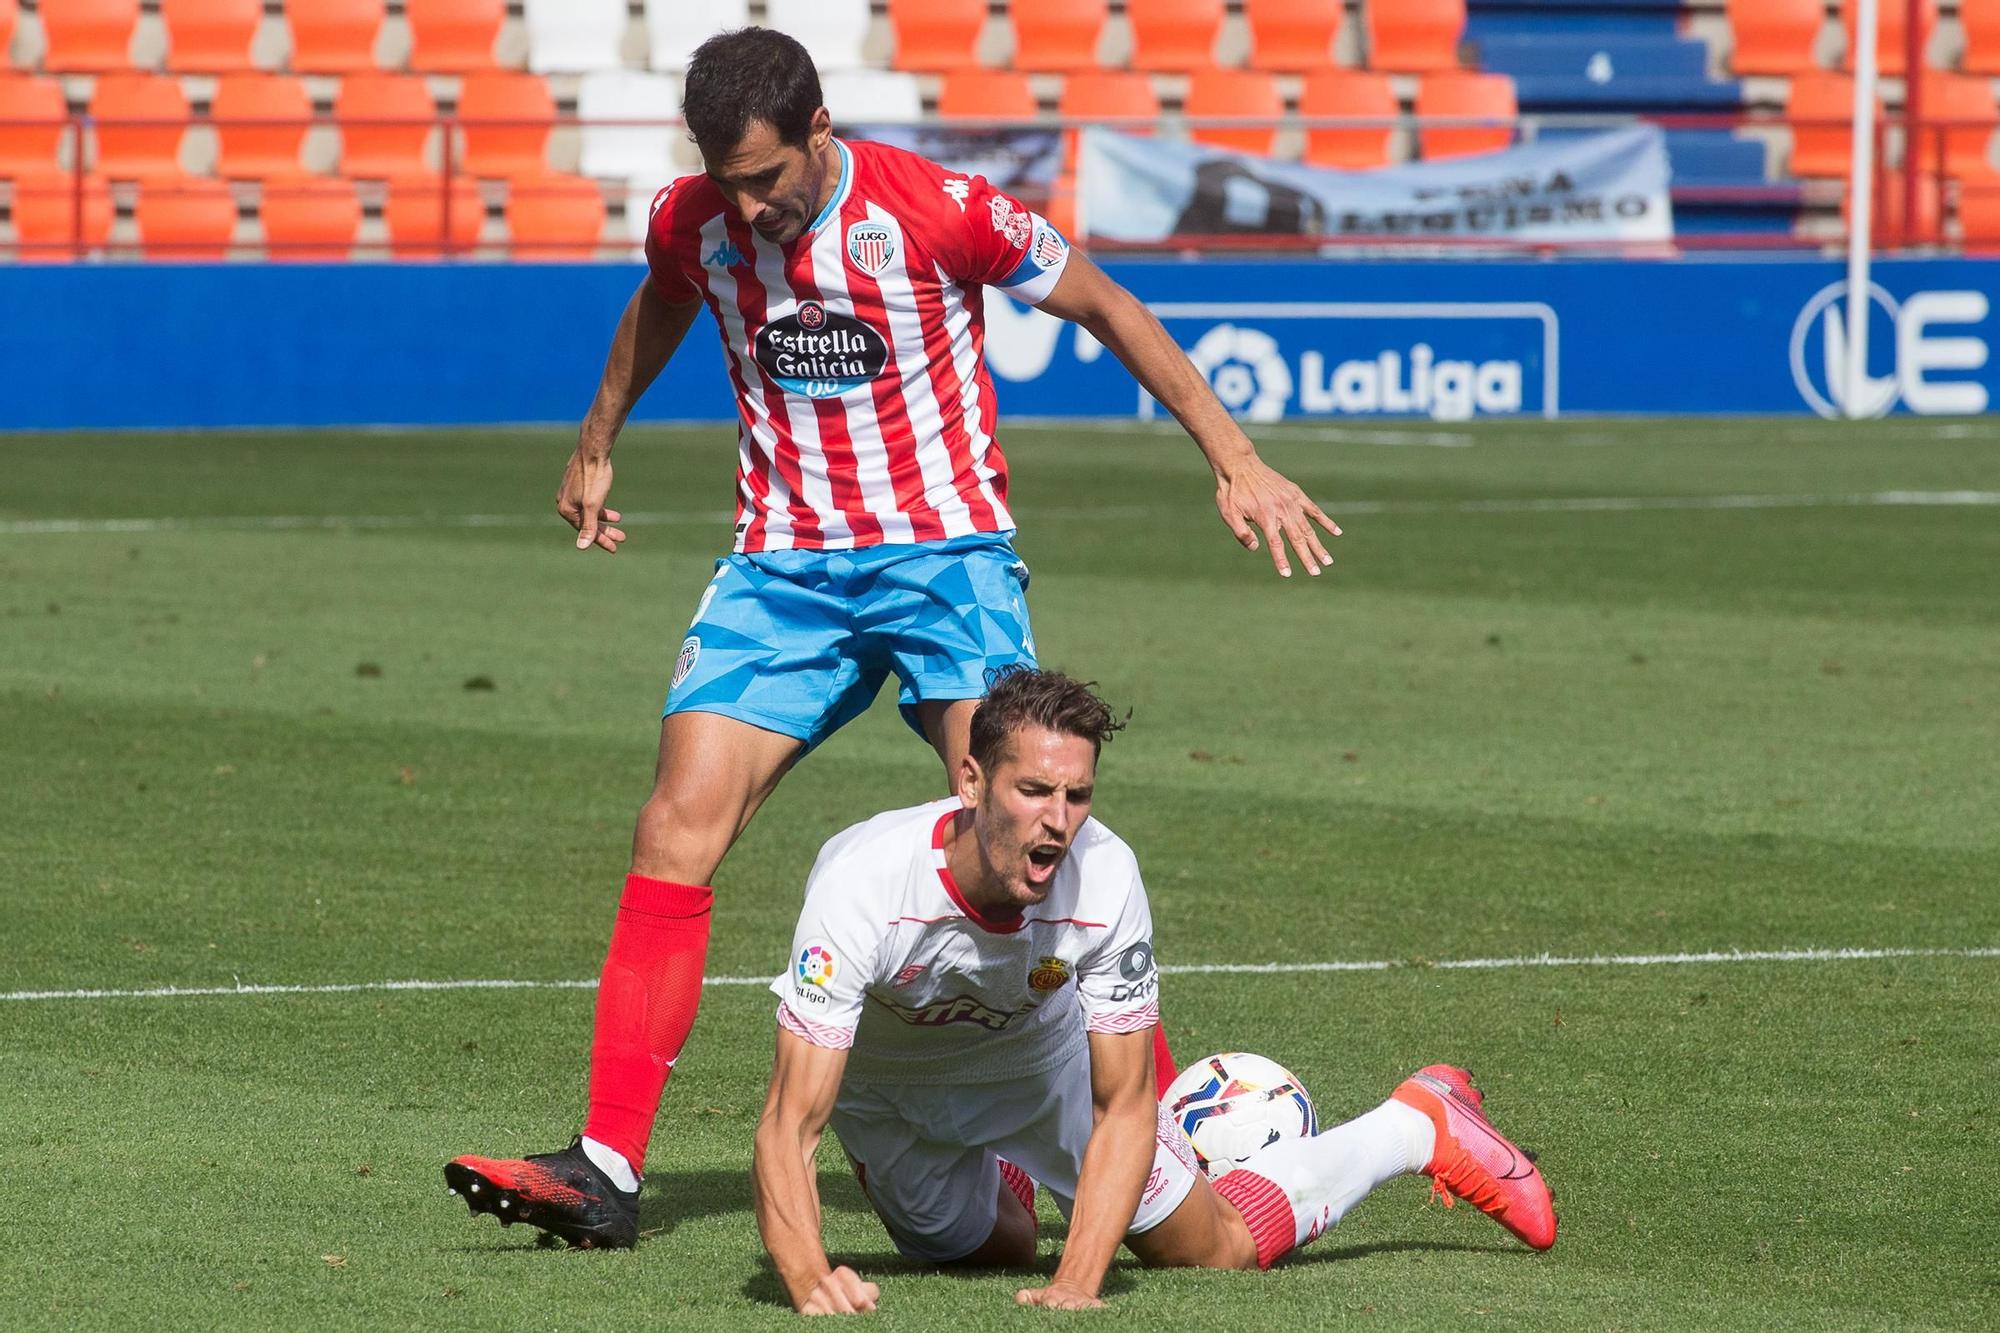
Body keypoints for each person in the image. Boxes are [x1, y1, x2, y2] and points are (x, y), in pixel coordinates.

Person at [444, 26, 1341, 1250]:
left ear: (818, 132)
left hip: (944, 563)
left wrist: (1234, 460)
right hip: (783, 572)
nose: (747, 207)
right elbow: (662, 301)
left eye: (765, 178)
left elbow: (1101, 301)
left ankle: (1149, 1148)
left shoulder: (935, 208)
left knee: (1029, 815)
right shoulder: (693, 218)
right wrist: (597, 436)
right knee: (673, 823)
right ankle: (605, 1165)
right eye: (727, 182)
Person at [750, 668, 1557, 1313]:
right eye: (1034, 790)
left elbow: (1128, 1103)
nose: (1059, 821)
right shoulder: (863, 880)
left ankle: (1416, 1123)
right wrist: (808, 1273)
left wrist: (1081, 1278)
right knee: (991, 1251)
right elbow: (789, 1123)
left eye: (1078, 795)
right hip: (887, 1095)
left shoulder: (1105, 875)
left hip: (1039, 1066)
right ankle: (1019, 1176)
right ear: (971, 779)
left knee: (1216, 1250)